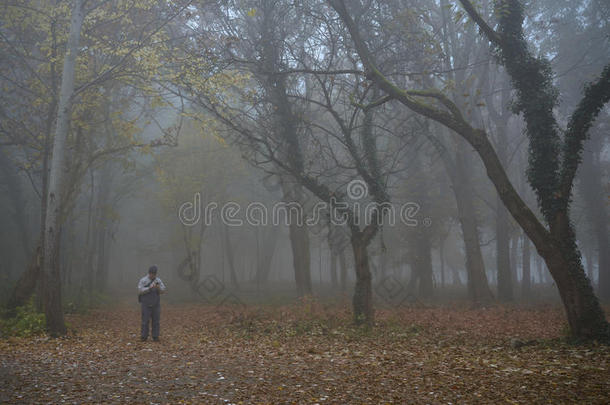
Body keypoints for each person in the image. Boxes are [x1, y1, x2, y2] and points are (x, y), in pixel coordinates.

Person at [137, 265, 166, 341]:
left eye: (154, 274)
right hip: (145, 303)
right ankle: (144, 336)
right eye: (151, 273)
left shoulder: (158, 281)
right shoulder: (143, 280)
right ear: (149, 273)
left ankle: (155, 336)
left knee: (156, 321)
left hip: (156, 304)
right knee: (145, 321)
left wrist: (158, 288)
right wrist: (149, 288)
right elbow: (140, 290)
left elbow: (163, 290)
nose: (152, 275)